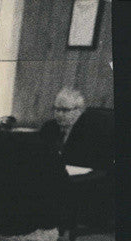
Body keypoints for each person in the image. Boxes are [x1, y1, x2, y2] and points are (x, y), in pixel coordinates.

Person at [38, 87, 114, 231]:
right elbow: (39, 154)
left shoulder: (93, 130)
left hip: (86, 183)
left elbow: (95, 162)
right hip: (57, 177)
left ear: (79, 111)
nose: (59, 114)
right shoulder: (49, 127)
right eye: (56, 109)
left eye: (65, 110)